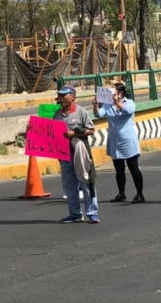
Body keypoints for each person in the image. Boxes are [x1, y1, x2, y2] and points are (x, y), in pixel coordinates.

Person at [54, 85, 99, 223]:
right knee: (69, 185)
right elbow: (51, 132)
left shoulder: (80, 112)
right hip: (64, 154)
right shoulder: (57, 114)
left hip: (80, 152)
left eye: (64, 95)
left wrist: (75, 133)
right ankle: (75, 214)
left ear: (72, 97)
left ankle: (92, 213)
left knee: (86, 182)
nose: (61, 98)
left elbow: (91, 130)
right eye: (60, 95)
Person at [93, 83, 145, 203]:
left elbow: (127, 111)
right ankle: (121, 193)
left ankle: (140, 194)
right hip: (114, 142)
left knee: (133, 168)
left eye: (113, 92)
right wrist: (96, 105)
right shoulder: (108, 105)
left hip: (127, 142)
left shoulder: (129, 103)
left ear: (120, 93)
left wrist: (117, 102)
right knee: (119, 169)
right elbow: (98, 114)